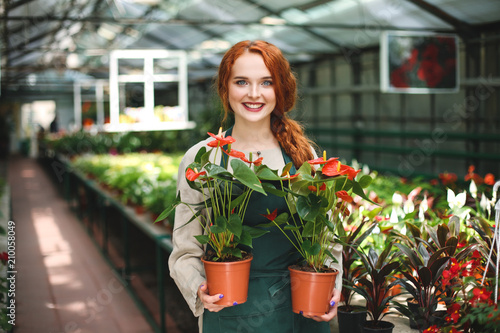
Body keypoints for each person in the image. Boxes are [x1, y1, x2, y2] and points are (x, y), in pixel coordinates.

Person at [168, 40, 342, 333]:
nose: (253, 93)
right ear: (225, 88)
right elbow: (185, 251)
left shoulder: (304, 157)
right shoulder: (203, 159)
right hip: (232, 312)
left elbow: (327, 238)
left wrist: (333, 288)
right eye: (241, 82)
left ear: (280, 89)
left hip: (305, 314)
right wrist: (199, 288)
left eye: (266, 82)